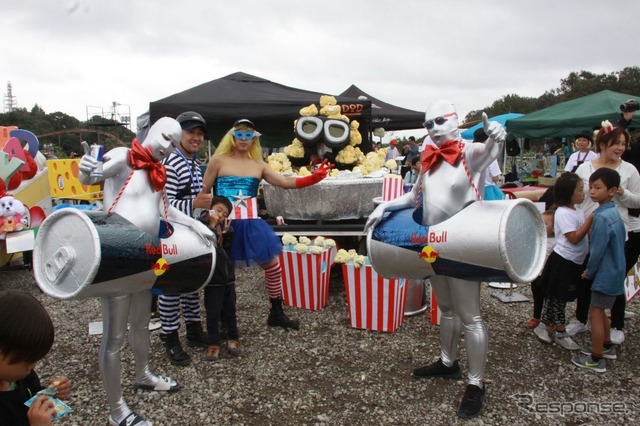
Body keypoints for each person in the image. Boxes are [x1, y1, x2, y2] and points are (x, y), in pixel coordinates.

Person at [365, 100, 506, 419]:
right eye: (428, 124)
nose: (434, 128)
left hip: (463, 243)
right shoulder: (428, 159)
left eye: (440, 121)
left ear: (455, 120)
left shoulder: (470, 152)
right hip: (431, 245)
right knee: (445, 306)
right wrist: (382, 207)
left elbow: (489, 154)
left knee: (471, 315)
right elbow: (413, 196)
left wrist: (497, 136)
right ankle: (447, 362)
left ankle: (476, 384)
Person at [78, 117, 215, 426]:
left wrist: (195, 224)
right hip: (117, 254)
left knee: (141, 323)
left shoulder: (157, 171)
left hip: (146, 256)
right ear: (151, 133)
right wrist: (86, 168)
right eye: (165, 137)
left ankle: (143, 375)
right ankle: (117, 411)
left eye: (172, 141)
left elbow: (166, 210)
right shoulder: (124, 156)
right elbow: (91, 177)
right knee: (114, 336)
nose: (167, 146)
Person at [201, 119, 333, 330]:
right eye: (240, 134)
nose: (244, 139)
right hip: (224, 226)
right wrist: (208, 218)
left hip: (251, 224)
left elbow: (284, 182)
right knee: (223, 275)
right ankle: (224, 322)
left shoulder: (259, 164)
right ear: (232, 136)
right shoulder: (217, 160)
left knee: (273, 265)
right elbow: (204, 191)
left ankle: (276, 312)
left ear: (254, 138)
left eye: (248, 135)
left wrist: (312, 179)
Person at [568, 117, 640, 345]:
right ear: (602, 145)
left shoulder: (629, 170)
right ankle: (581, 319)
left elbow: (637, 201)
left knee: (614, 278)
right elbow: (577, 198)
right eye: (616, 143)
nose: (620, 148)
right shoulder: (584, 168)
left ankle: (617, 324)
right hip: (588, 229)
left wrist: (622, 193)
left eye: (623, 144)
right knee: (585, 277)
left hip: (619, 233)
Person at [157, 111, 211, 366]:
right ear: (179, 135)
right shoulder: (171, 162)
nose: (196, 138)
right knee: (171, 285)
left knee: (191, 282)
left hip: (188, 232)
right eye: (191, 132)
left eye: (200, 133)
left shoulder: (191, 161)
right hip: (169, 234)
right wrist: (195, 204)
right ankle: (169, 336)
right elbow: (162, 205)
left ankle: (192, 329)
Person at [571, 168, 626, 372]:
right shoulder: (612, 213)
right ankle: (606, 344)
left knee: (595, 312)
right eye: (591, 187)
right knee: (600, 308)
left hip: (605, 272)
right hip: (615, 270)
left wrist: (590, 271)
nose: (592, 191)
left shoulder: (602, 218)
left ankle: (596, 357)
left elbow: (597, 250)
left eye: (598, 188)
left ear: (612, 190)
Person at [532, 172, 593, 350]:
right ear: (568, 193)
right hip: (563, 261)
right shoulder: (564, 213)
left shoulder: (578, 210)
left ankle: (543, 325)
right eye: (580, 190)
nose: (584, 193)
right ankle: (560, 332)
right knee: (559, 298)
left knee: (557, 297)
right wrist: (589, 221)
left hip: (574, 261)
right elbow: (573, 238)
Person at [0, 289, 71, 426]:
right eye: (27, 361)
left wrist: (49, 393)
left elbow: (31, 394)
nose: (33, 366)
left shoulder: (21, 376)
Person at [200, 196, 240, 360]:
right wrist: (211, 226)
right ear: (209, 209)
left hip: (228, 277)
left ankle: (233, 337)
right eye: (218, 210)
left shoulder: (224, 228)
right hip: (213, 279)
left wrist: (226, 233)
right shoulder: (201, 226)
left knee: (230, 309)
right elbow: (205, 246)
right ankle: (213, 343)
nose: (221, 216)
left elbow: (229, 251)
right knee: (213, 312)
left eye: (224, 214)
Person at [524, 210, 556, 329]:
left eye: (546, 223)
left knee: (550, 298)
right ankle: (536, 317)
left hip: (549, 275)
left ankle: (550, 319)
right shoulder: (537, 238)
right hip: (537, 274)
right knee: (537, 296)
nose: (542, 226)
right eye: (540, 222)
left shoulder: (557, 242)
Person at [474, 128, 504, 200]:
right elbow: (495, 178)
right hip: (488, 191)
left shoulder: (472, 155)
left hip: (474, 190)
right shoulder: (490, 156)